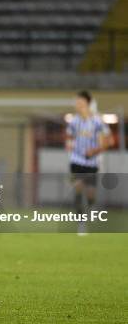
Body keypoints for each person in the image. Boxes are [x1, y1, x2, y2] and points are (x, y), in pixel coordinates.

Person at [65, 90, 113, 235]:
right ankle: (81, 223)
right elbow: (68, 136)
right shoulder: (74, 121)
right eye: (76, 101)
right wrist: (69, 144)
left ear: (87, 103)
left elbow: (109, 141)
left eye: (80, 101)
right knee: (78, 189)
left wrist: (95, 151)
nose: (77, 104)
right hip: (76, 160)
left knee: (91, 194)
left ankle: (90, 207)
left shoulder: (97, 121)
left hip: (91, 162)